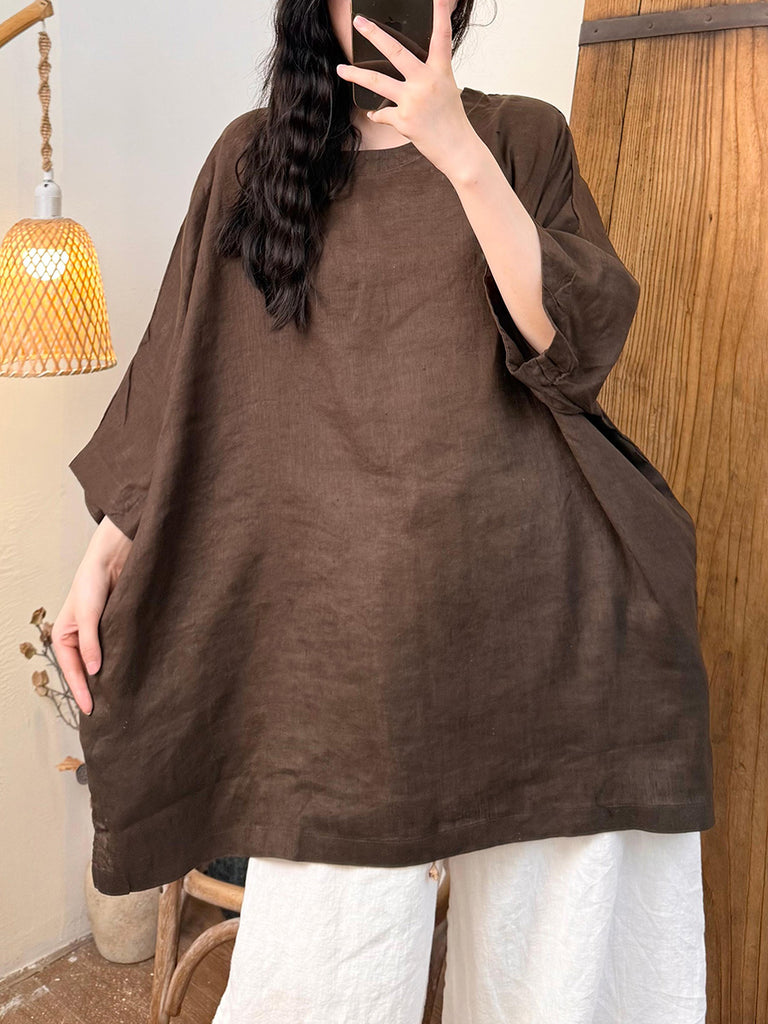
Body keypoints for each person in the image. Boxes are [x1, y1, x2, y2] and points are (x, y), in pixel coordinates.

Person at [54, 0, 714, 1020]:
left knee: (551, 985)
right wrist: (105, 550)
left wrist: (457, 151)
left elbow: (573, 347)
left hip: (546, 626)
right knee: (324, 982)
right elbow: (186, 378)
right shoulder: (251, 163)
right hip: (332, 662)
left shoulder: (520, 137)